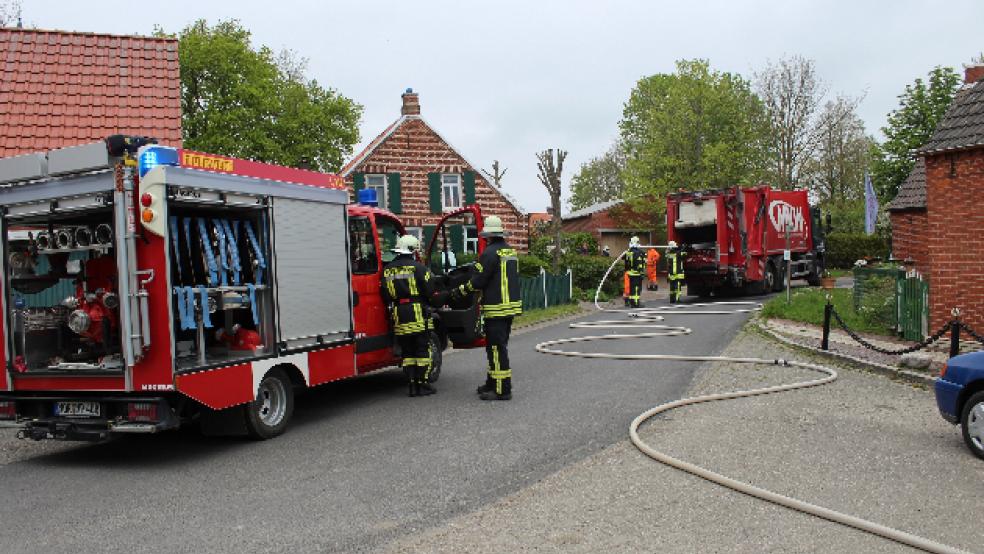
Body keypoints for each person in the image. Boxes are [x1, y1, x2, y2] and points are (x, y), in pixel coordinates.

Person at [455, 215, 521, 401]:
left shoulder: (489, 253)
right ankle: (491, 382)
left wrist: (459, 291)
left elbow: (479, 281)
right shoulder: (510, 251)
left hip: (496, 308)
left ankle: (502, 390)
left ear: (488, 235)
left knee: (496, 349)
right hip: (510, 307)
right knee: (496, 348)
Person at [380, 234, 436, 397]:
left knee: (407, 352)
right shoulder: (419, 268)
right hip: (417, 313)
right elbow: (430, 290)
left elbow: (385, 294)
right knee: (422, 350)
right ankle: (423, 384)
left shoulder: (386, 270)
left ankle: (412, 385)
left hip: (399, 314)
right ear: (412, 250)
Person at [624, 236, 646, 308]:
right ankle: (636, 303)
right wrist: (642, 273)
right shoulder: (638, 253)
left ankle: (632, 303)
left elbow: (624, 259)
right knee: (636, 289)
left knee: (632, 289)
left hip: (630, 274)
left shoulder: (628, 252)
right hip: (636, 274)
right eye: (638, 242)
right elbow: (639, 264)